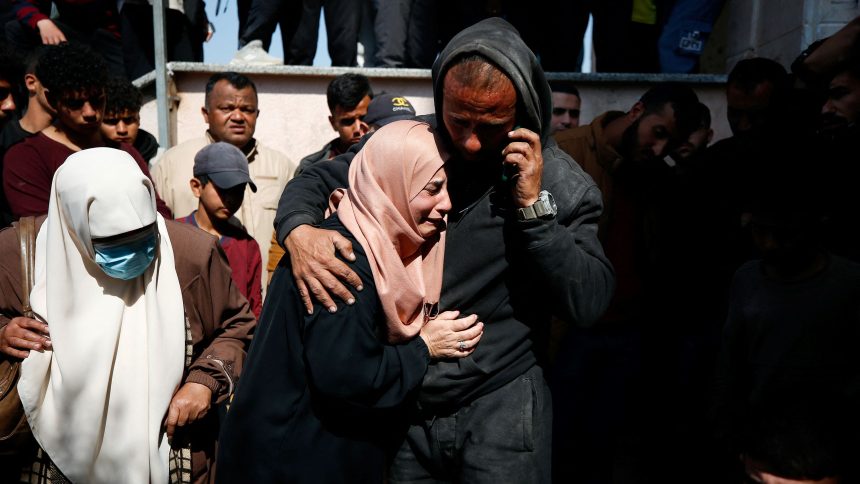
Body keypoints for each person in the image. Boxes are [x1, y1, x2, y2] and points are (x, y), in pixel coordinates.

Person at [274, 18, 614, 482]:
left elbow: (589, 301)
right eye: (459, 121)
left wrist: (534, 210)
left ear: (525, 113)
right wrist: (298, 232)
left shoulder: (559, 182)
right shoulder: (413, 144)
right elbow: (317, 179)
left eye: (491, 126)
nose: (471, 142)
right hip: (406, 406)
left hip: (502, 407)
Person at [218, 120, 486, 483]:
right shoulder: (338, 258)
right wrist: (424, 347)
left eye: (447, 188)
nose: (447, 204)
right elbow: (348, 376)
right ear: (392, 183)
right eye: (432, 189)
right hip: (292, 461)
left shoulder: (371, 242)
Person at [0, 148, 256, 483]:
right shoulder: (23, 254)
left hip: (171, 453)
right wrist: (4, 332)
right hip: (46, 459)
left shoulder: (190, 254)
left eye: (143, 235)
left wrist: (203, 382)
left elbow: (237, 325)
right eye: (112, 242)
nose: (134, 251)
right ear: (73, 225)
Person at [152, 72, 295, 288]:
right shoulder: (171, 164)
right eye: (227, 108)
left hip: (264, 303)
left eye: (247, 109)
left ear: (257, 113)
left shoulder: (282, 167)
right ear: (206, 113)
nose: (238, 117)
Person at [3, 43, 171, 219]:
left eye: (97, 100)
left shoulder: (125, 152)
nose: (90, 112)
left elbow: (160, 214)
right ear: (52, 100)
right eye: (75, 103)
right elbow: (44, 231)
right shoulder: (26, 158)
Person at [179, 142, 263, 318]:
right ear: (197, 187)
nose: (231, 198)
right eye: (223, 188)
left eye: (238, 190)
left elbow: (254, 309)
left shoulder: (247, 247)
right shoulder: (172, 236)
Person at [5, 0, 125, 77]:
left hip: (112, 40)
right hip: (75, 35)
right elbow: (23, 3)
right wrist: (40, 21)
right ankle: (40, 94)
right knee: (15, 30)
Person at [294, 73, 373, 175]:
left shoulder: (392, 158)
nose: (358, 129)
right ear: (333, 123)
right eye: (347, 121)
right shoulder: (310, 169)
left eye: (364, 118)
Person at [100, 77, 160, 163]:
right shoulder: (86, 158)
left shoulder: (158, 159)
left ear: (138, 119)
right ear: (97, 123)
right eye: (112, 122)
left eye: (128, 120)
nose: (122, 130)